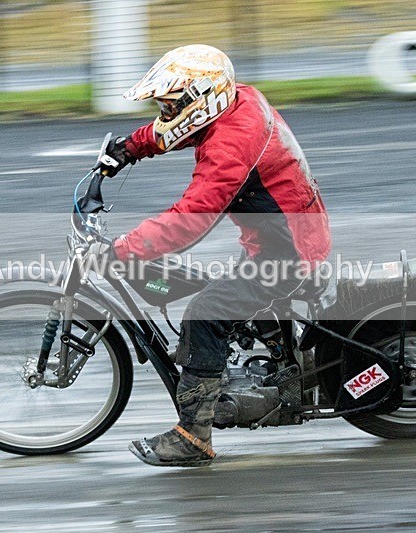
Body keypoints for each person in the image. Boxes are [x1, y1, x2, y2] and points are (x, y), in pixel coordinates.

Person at [97, 44, 332, 467]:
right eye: (163, 106)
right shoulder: (235, 99)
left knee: (205, 312)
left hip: (289, 250)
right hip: (283, 235)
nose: (165, 113)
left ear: (201, 99)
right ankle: (281, 367)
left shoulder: (230, 144)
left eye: (170, 105)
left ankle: (194, 437)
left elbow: (191, 218)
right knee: (209, 287)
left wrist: (124, 250)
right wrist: (130, 147)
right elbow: (176, 128)